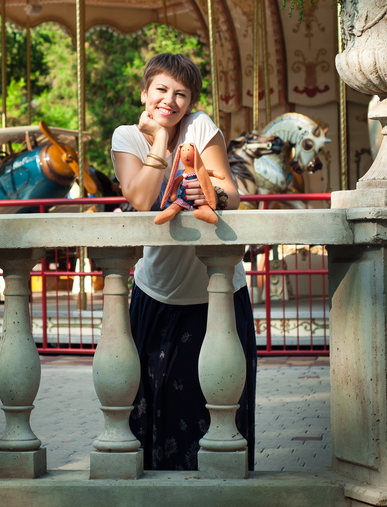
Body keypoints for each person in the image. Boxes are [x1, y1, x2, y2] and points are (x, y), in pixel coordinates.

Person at [111, 53, 257, 472]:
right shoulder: (127, 137)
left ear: (191, 102)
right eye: (161, 90)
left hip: (217, 292)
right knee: (152, 407)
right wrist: (159, 138)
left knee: (219, 409)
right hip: (157, 292)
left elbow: (232, 193)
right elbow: (142, 199)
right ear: (144, 93)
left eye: (181, 94)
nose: (170, 100)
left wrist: (209, 192)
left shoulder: (200, 127)